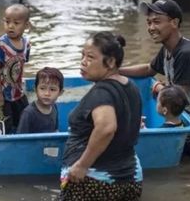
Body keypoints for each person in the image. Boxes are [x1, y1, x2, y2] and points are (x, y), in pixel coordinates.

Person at [119, 0, 190, 159]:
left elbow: (176, 99)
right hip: (189, 121)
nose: (151, 28)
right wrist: (116, 71)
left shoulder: (185, 53)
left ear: (174, 23)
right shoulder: (169, 49)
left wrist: (159, 88)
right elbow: (149, 69)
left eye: (156, 22)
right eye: (149, 23)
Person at [60, 31, 143, 201]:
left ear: (111, 62)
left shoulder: (102, 92)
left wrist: (82, 165)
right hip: (130, 177)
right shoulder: (130, 86)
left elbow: (106, 128)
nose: (83, 62)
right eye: (82, 55)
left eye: (90, 57)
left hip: (96, 181)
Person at [0, 4, 31, 134]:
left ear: (26, 25)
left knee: (24, 119)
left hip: (17, 91)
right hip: (2, 92)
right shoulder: (1, 45)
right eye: (7, 22)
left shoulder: (26, 44)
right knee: (4, 125)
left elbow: (21, 65)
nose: (11, 26)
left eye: (16, 23)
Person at [17, 67, 64, 134]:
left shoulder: (54, 107)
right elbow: (20, 139)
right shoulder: (28, 113)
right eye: (42, 88)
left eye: (52, 89)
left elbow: (55, 131)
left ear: (60, 93)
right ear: (35, 89)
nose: (47, 93)